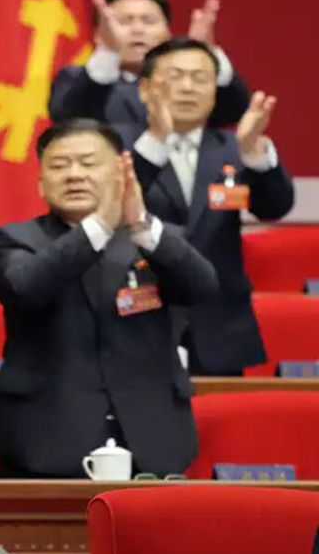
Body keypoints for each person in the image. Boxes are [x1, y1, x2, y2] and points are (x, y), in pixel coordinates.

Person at [0, 120, 219, 478]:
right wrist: (101, 225)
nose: (74, 175)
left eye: (89, 163)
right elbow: (25, 288)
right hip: (43, 440)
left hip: (151, 440)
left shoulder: (155, 238)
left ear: (121, 172)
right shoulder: (13, 240)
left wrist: (140, 225)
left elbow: (202, 287)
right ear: (41, 182)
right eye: (59, 165)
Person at [120, 38, 294, 376]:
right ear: (145, 89)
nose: (188, 87)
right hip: (138, 317)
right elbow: (110, 205)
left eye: (200, 78)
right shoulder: (116, 145)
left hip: (220, 327)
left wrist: (254, 156)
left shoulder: (233, 146)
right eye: (176, 76)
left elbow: (274, 207)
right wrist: (156, 141)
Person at [49, 0, 250, 127]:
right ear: (99, 34)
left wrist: (206, 55)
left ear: (168, 33)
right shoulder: (77, 80)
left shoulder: (187, 82)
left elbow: (234, 110)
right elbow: (65, 115)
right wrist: (109, 53)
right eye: (124, 21)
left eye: (149, 21)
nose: (137, 30)